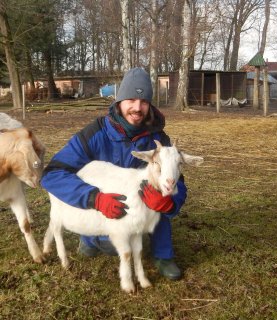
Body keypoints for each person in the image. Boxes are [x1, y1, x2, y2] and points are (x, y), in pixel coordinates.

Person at [41, 67, 187, 280]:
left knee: (159, 195)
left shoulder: (159, 140)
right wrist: (94, 198)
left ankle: (163, 254)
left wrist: (171, 203)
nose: (137, 107)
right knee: (111, 242)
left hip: (140, 211)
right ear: (119, 101)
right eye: (131, 99)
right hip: (104, 208)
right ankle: (90, 240)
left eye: (144, 101)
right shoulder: (95, 134)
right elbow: (52, 174)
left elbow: (179, 182)